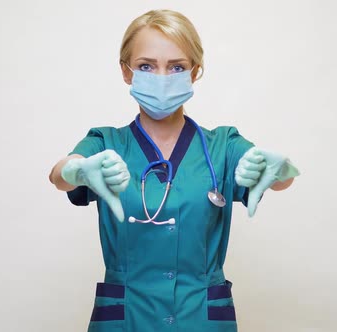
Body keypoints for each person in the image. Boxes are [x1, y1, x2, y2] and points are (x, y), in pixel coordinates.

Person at [49, 9, 300, 332]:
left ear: (195, 72)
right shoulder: (105, 143)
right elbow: (60, 173)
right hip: (126, 317)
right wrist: (74, 171)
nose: (162, 78)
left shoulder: (223, 145)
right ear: (126, 72)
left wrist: (281, 169)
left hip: (201, 316)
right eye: (146, 66)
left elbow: (278, 178)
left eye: (177, 67)